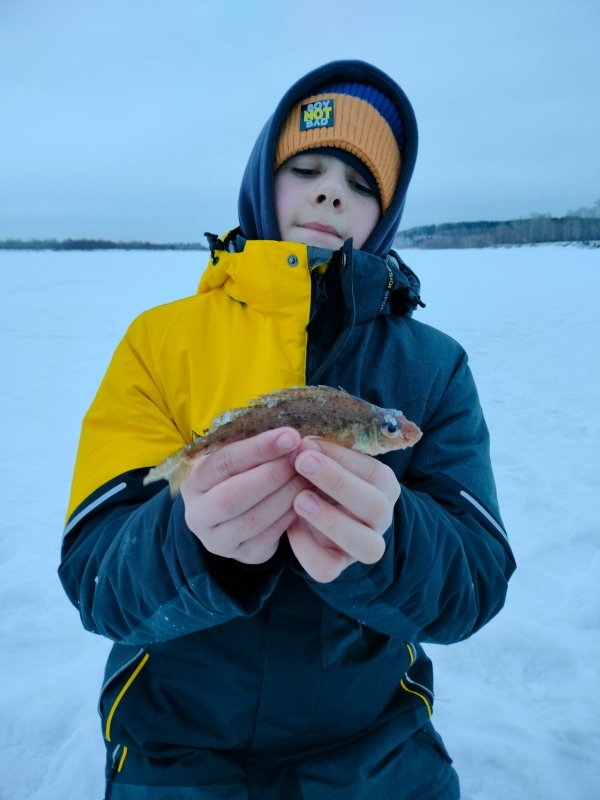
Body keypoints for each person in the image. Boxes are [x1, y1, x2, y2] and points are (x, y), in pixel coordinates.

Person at [59, 59, 516, 799]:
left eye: (362, 183)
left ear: (385, 214)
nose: (332, 190)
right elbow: (94, 577)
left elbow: (476, 581)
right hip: (171, 741)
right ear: (261, 181)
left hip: (376, 743)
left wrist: (389, 545)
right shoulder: (158, 341)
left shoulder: (434, 368)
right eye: (306, 166)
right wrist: (193, 544)